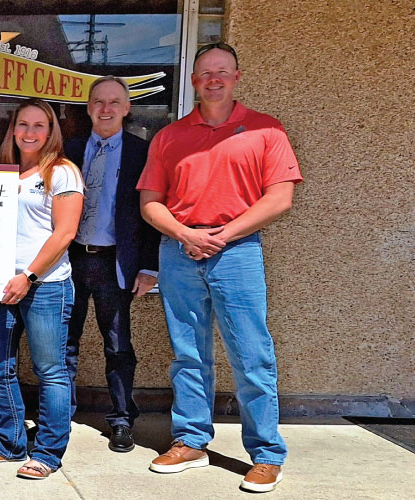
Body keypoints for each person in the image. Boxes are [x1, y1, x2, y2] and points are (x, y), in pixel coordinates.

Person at [137, 42, 301, 493]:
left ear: (236, 77)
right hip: (181, 250)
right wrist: (188, 235)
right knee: (188, 353)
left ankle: (267, 454)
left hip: (238, 251)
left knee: (251, 354)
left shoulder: (265, 130)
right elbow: (151, 203)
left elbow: (280, 198)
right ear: (193, 80)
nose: (214, 79)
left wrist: (221, 236)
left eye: (222, 72)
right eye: (205, 72)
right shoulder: (170, 136)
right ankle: (191, 440)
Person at [0, 98, 83, 480]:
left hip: (45, 286)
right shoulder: (2, 172)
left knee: (51, 371)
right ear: (12, 129)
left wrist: (28, 276)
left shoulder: (63, 172)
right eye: (23, 124)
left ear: (51, 132)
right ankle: (10, 443)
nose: (30, 132)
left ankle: (48, 453)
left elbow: (65, 233)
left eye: (39, 125)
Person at [62, 76, 159, 452]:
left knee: (117, 345)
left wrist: (150, 267)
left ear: (127, 108)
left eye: (114, 102)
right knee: (63, 344)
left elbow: (151, 212)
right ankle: (60, 418)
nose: (106, 109)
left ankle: (121, 419)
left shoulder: (141, 153)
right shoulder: (68, 150)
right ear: (88, 108)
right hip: (70, 261)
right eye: (99, 102)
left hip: (115, 265)